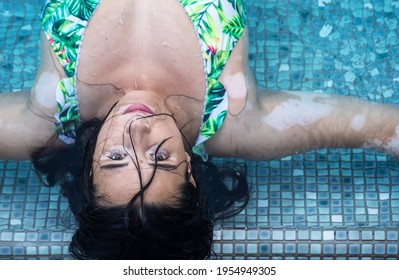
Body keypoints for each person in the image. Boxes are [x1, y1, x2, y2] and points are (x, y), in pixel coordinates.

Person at [1, 0, 398, 259]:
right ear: (191, 174)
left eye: (116, 158)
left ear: (88, 172)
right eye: (161, 157)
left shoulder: (44, 119)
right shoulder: (239, 122)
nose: (138, 131)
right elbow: (386, 128)